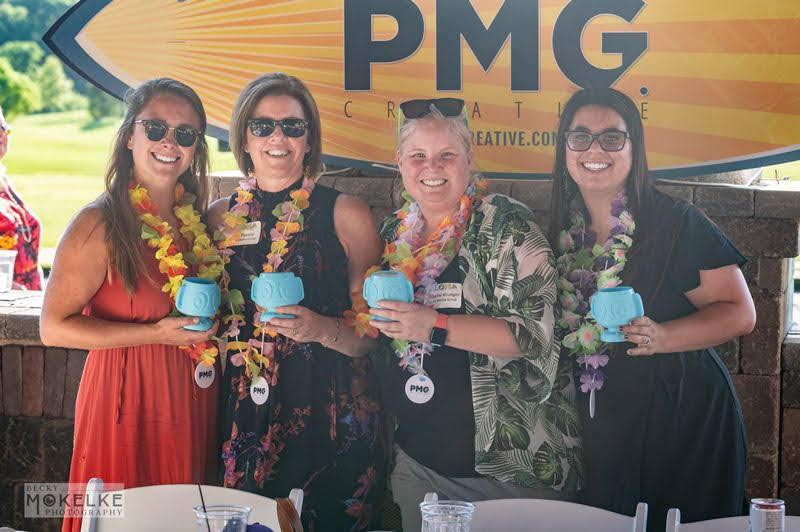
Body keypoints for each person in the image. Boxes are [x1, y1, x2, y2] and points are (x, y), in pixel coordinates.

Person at [356, 98, 582, 531]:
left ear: (469, 160)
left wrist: (434, 326)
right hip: (421, 466)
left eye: (447, 154)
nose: (432, 167)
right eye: (418, 155)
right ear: (400, 163)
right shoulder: (393, 233)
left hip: (513, 472)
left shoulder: (507, 225)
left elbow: (535, 337)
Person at [549, 88, 755, 531]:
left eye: (612, 137)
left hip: (682, 418)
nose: (594, 150)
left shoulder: (673, 222)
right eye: (580, 137)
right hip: (603, 422)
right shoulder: (559, 230)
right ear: (564, 147)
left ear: (634, 147)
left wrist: (663, 337)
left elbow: (740, 312)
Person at [40, 78, 223, 532]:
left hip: (192, 400)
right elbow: (53, 328)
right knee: (120, 517)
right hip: (124, 402)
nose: (169, 142)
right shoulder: (97, 223)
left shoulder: (198, 223)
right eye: (155, 128)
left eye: (185, 134)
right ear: (129, 136)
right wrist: (155, 334)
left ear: (196, 147)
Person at [208, 73, 386, 530]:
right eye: (262, 125)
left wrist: (320, 329)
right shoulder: (220, 217)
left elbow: (374, 335)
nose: (277, 137)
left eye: (292, 126)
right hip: (245, 415)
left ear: (309, 140)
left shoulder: (346, 214)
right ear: (243, 138)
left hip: (331, 415)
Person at [0, 104, 43, 290]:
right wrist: (10, 287)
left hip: (29, 300)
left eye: (3, 127)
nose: (1, 134)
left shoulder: (5, 182)